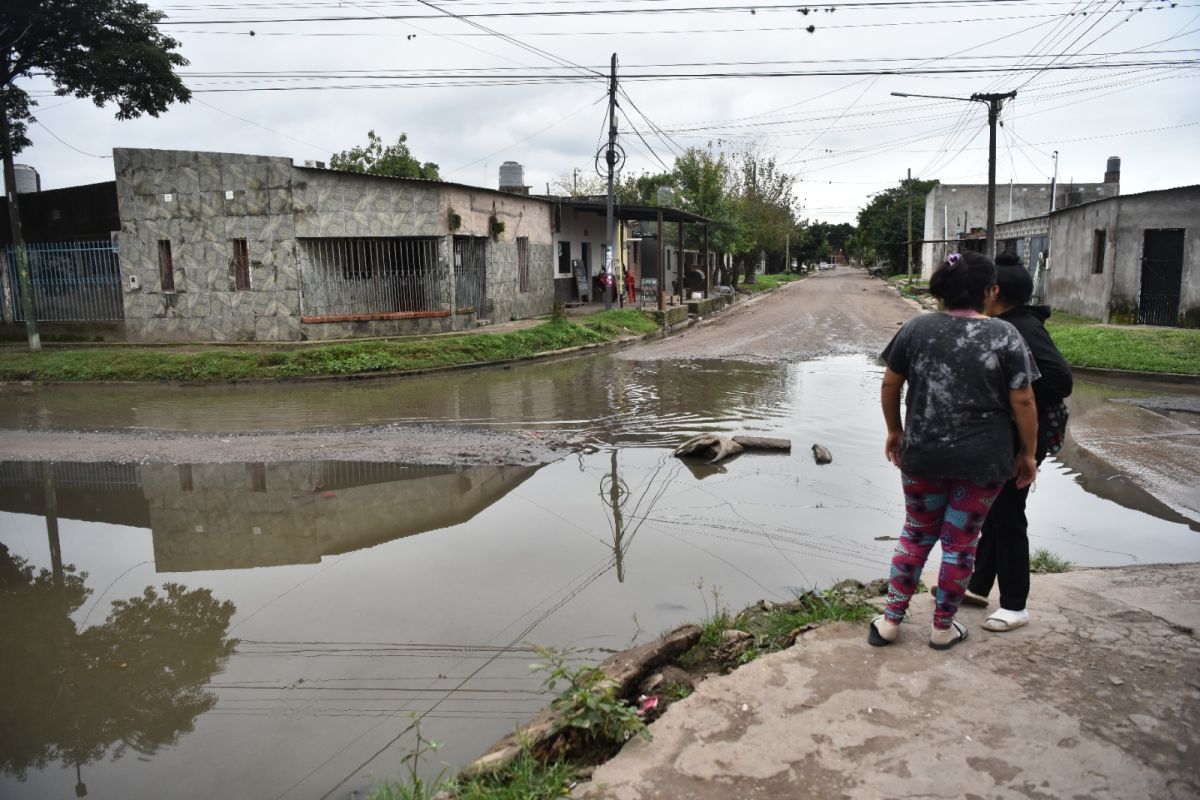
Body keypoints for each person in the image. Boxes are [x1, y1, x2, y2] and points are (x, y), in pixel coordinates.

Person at [869, 251, 1039, 650]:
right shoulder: (1004, 335)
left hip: (923, 456)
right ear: (990, 291)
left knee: (915, 534)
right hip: (984, 463)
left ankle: (890, 622)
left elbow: (890, 384)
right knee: (961, 544)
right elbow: (1024, 400)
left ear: (942, 289)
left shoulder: (916, 329)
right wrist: (1028, 454)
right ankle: (942, 628)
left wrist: (895, 430)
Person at [962, 250, 1073, 632]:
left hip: (1023, 439)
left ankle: (1015, 604)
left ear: (994, 292)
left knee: (1008, 516)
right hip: (1009, 438)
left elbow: (1060, 379)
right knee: (995, 513)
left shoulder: (1022, 328)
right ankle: (978, 587)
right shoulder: (1011, 324)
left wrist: (1016, 394)